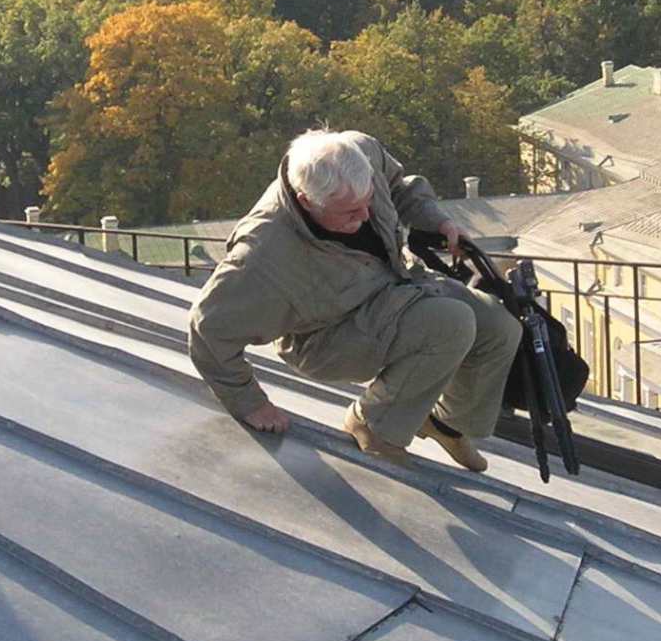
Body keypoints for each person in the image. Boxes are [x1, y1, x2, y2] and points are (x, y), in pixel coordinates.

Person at [188, 129, 521, 472]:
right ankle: (373, 425)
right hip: (326, 335)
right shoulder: (262, 255)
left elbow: (399, 186)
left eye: (368, 200)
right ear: (306, 201)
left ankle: (446, 424)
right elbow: (208, 331)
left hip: (390, 283)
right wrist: (248, 403)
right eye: (349, 211)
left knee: (500, 325)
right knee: (451, 324)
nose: (364, 216)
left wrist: (439, 221)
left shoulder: (359, 153)